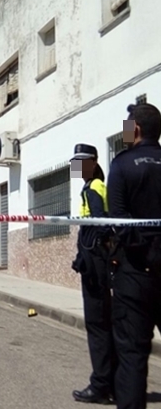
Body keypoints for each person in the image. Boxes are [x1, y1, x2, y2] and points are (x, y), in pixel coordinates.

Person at [106, 103, 161, 409]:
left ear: (135, 129)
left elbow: (120, 220)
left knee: (132, 357)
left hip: (136, 274)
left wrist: (144, 252)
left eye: (127, 127)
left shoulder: (122, 164)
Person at [68, 144, 116, 405]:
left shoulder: (95, 188)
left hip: (96, 269)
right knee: (102, 324)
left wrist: (91, 258)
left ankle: (101, 385)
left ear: (94, 162)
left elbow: (100, 226)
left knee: (97, 325)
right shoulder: (91, 187)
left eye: (81, 161)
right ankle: (110, 382)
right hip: (94, 265)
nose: (77, 166)